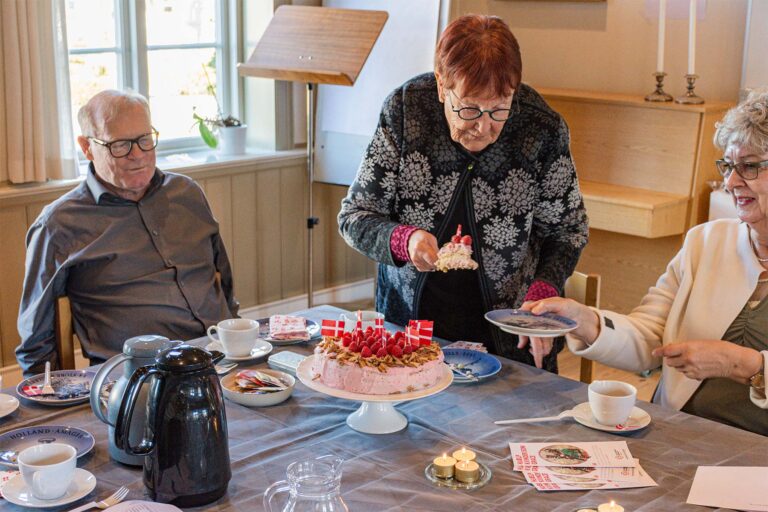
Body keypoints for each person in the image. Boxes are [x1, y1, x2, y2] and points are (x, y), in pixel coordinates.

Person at [338, 14, 588, 372]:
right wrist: (404, 240)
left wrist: (542, 293)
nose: (484, 126)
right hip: (410, 331)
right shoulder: (406, 111)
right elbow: (355, 217)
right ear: (442, 85)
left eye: (500, 108)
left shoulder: (541, 128)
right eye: (469, 108)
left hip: (510, 338)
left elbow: (568, 231)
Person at [521, 90, 768, 435]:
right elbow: (650, 339)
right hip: (679, 431)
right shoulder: (706, 242)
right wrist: (584, 320)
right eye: (728, 166)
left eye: (750, 166)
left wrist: (744, 365)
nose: (730, 182)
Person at [16, 90, 239, 376]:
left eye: (145, 140)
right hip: (138, 376)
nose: (138, 155)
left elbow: (225, 283)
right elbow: (36, 341)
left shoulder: (187, 194)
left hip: (221, 358)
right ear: (86, 147)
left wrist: (241, 339)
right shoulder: (59, 224)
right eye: (120, 145)